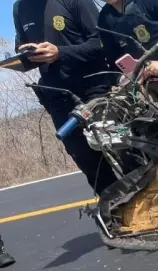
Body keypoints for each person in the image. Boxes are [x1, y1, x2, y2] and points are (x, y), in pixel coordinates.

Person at [13, 0, 118, 195]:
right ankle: (115, 213)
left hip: (94, 88)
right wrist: (24, 54)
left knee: (118, 150)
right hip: (57, 97)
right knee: (86, 159)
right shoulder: (20, 7)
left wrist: (60, 52)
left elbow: (102, 41)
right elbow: (21, 45)